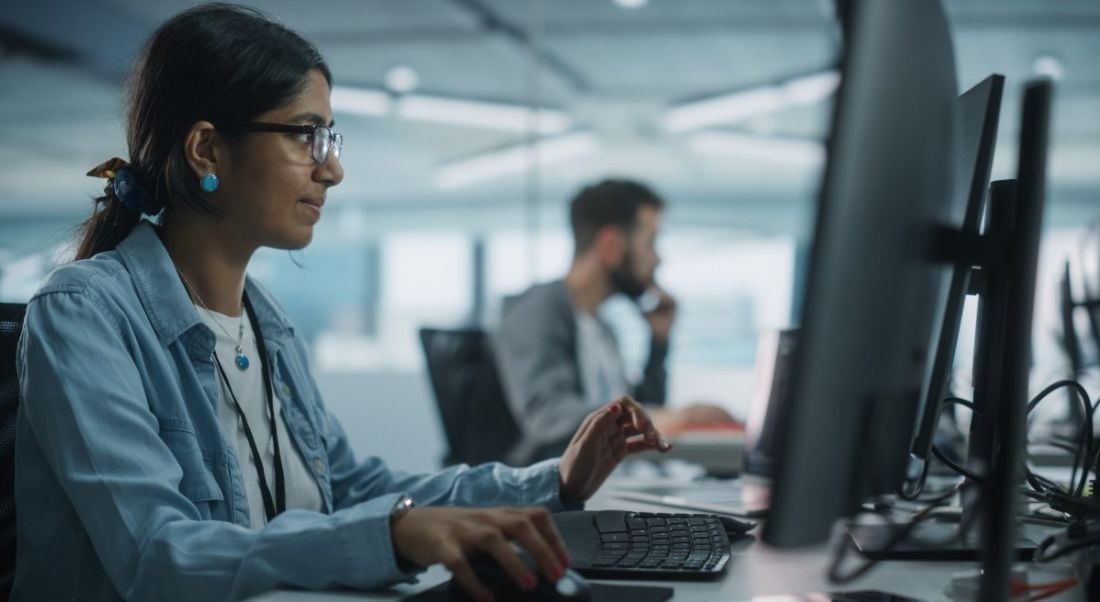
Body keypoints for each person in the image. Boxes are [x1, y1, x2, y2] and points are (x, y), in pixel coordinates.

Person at [11, 5, 671, 601]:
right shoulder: (85, 315)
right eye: (306, 136)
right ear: (207, 147)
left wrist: (552, 481)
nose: (332, 169)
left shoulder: (267, 325)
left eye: (331, 138)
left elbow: (352, 489)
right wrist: (395, 534)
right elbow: (160, 555)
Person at [495, 179, 735, 466]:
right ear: (611, 245)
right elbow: (547, 414)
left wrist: (658, 344)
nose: (658, 259)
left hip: (614, 483)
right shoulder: (537, 311)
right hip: (553, 493)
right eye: (651, 242)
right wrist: (653, 417)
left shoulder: (601, 327)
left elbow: (638, 412)